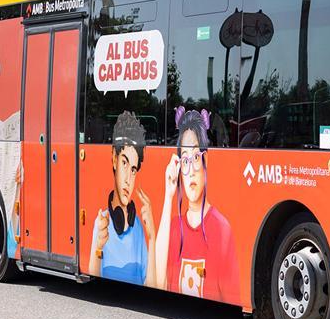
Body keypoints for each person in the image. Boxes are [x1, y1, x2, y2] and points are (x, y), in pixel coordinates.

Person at [154, 107, 239, 303]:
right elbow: (158, 281)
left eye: (195, 158)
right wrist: (168, 196)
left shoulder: (222, 230)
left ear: (205, 159)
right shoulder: (174, 228)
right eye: (184, 160)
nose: (190, 170)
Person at [88, 112, 156, 286]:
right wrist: (98, 248)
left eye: (133, 169)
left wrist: (153, 238)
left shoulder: (139, 228)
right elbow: (91, 274)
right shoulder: (102, 224)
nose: (128, 179)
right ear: (114, 159)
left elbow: (151, 285)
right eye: (124, 163)